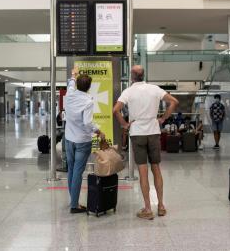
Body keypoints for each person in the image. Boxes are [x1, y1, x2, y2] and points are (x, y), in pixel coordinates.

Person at [113, 65, 179, 220]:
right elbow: (174, 101)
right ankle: (161, 206)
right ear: (143, 75)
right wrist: (163, 118)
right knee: (156, 168)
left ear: (132, 76)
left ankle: (148, 208)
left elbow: (115, 110)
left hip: (137, 133)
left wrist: (124, 124)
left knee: (143, 171)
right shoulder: (154, 89)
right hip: (154, 132)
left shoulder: (128, 92)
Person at [64, 66, 105, 214]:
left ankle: (72, 200)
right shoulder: (88, 102)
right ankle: (74, 205)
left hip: (68, 139)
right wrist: (98, 131)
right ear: (89, 87)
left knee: (71, 170)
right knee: (77, 172)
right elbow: (87, 123)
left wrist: (74, 74)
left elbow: (70, 83)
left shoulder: (70, 94)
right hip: (82, 141)